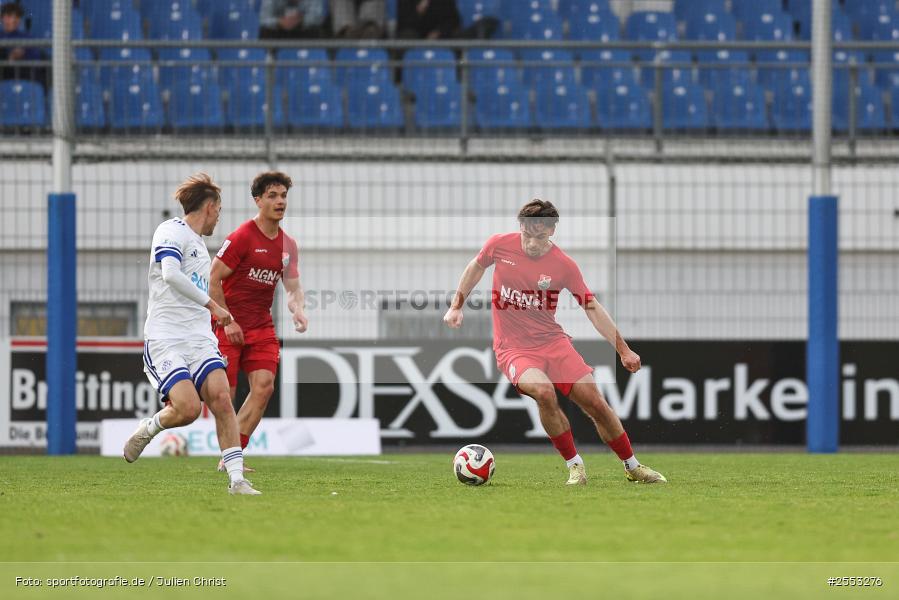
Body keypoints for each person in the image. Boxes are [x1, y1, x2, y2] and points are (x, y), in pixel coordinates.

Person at [443, 199, 667, 485]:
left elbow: (592, 307)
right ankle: (575, 466)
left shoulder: (563, 265)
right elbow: (475, 267)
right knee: (544, 393)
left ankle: (632, 466)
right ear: (520, 227)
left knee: (596, 403)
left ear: (551, 232)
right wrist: (456, 305)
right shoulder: (499, 245)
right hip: (514, 348)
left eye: (540, 236)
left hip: (553, 343)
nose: (532, 243)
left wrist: (623, 349)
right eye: (527, 235)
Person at [124, 173, 261, 496]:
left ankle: (237, 480)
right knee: (186, 409)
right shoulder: (171, 231)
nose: (219, 217)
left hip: (199, 340)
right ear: (210, 207)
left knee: (221, 398)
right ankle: (149, 428)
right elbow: (171, 274)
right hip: (166, 337)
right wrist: (214, 306)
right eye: (219, 209)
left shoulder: (200, 246)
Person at [208, 171, 307, 473]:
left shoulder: (288, 246)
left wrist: (297, 308)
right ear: (258, 200)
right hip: (229, 324)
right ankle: (231, 458)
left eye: (283, 196)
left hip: (261, 326)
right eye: (273, 196)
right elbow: (212, 281)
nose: (280, 202)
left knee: (264, 388)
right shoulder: (241, 238)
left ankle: (231, 458)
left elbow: (293, 287)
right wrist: (227, 321)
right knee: (225, 396)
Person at [0, 2, 44, 83]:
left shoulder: (27, 38)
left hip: (24, 78)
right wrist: (9, 58)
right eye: (9, 16)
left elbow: (36, 60)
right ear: (2, 18)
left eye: (17, 16)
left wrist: (23, 55)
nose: (13, 20)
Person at [259, 0, 329, 39]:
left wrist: (300, 20)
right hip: (279, 32)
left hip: (304, 32)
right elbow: (263, 19)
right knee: (265, 30)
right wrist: (280, 21)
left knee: (316, 29)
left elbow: (318, 18)